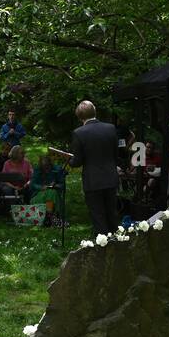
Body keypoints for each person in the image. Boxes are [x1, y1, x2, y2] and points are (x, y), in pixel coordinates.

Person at [69, 100, 119, 236]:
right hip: (111, 177)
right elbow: (116, 154)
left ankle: (103, 248)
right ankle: (118, 245)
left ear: (79, 116)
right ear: (94, 111)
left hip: (93, 180)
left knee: (98, 216)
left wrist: (69, 159)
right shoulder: (111, 128)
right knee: (112, 214)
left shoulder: (79, 133)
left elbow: (77, 161)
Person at [29, 153, 67, 226]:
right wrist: (41, 187)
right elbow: (32, 184)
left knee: (51, 192)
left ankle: (49, 217)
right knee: (50, 193)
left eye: (48, 167)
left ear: (50, 165)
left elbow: (62, 185)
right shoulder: (37, 171)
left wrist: (55, 185)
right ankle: (51, 217)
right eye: (44, 168)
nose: (46, 169)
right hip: (38, 194)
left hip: (54, 193)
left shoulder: (57, 170)